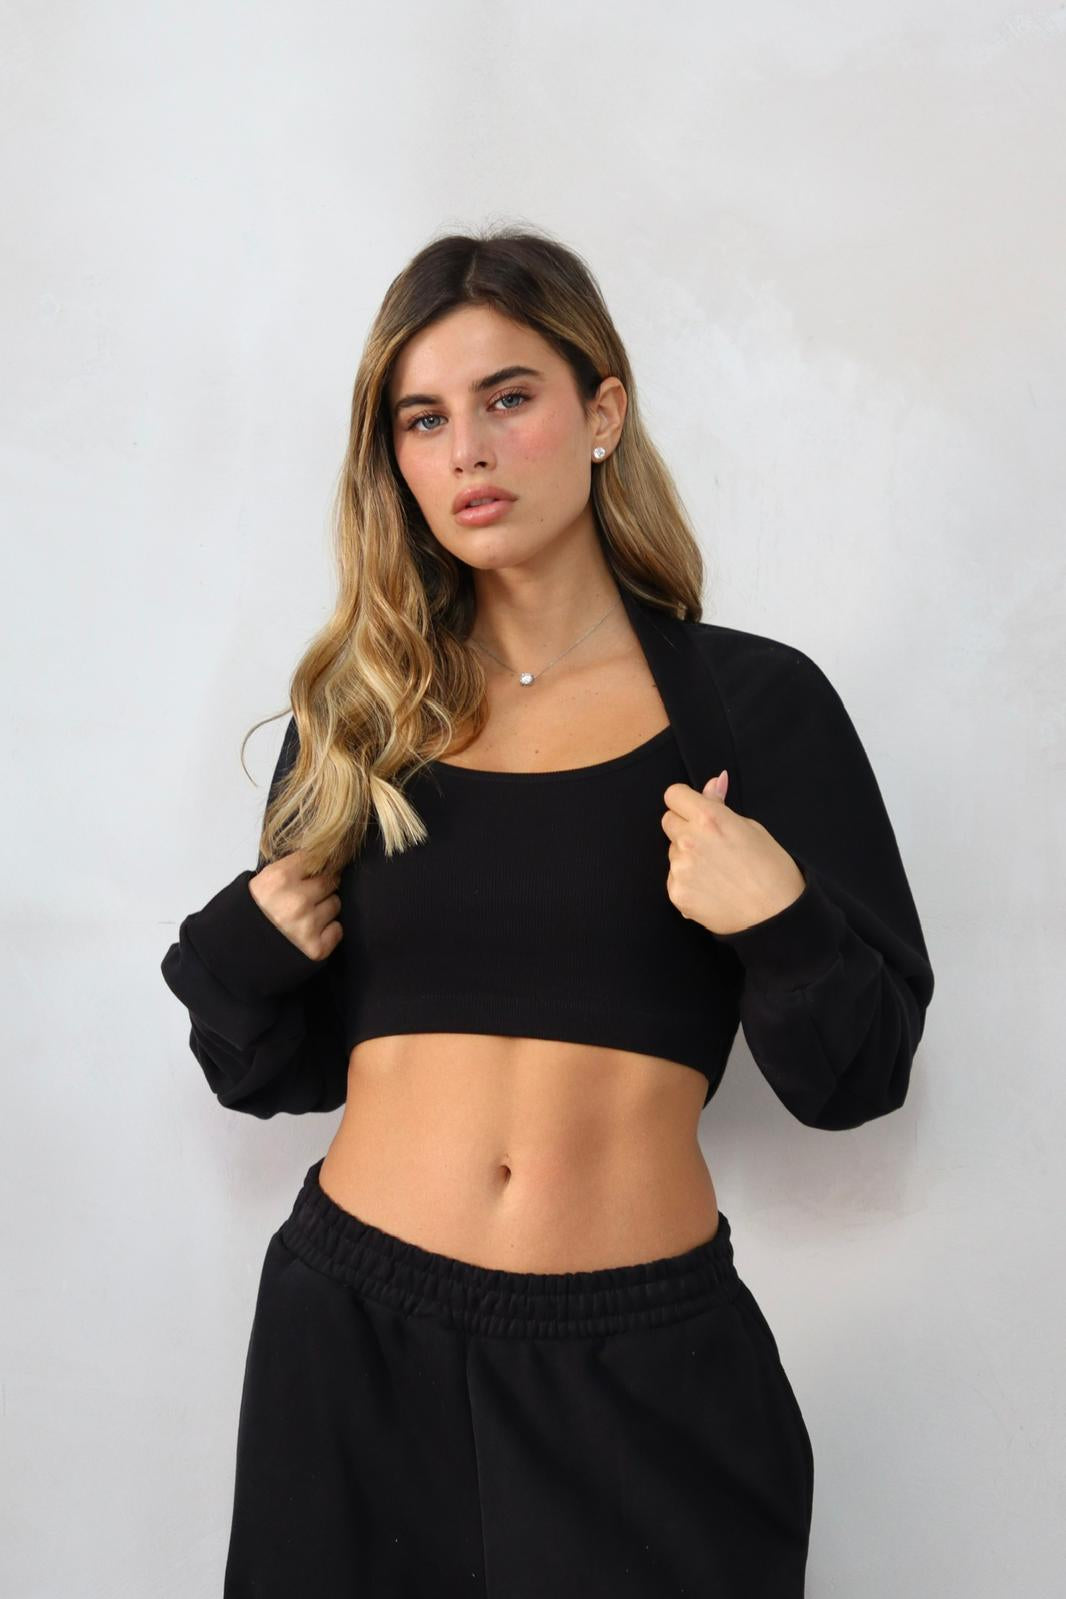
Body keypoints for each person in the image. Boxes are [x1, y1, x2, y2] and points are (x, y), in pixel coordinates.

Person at [160, 225, 935, 1598]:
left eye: (507, 398)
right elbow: (274, 1073)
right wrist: (233, 956)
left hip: (642, 1369)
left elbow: (856, 1079)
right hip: (355, 1341)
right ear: (394, 460)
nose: (467, 450)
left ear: (601, 411)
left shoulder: (754, 708)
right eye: (423, 419)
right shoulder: (357, 723)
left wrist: (782, 919)